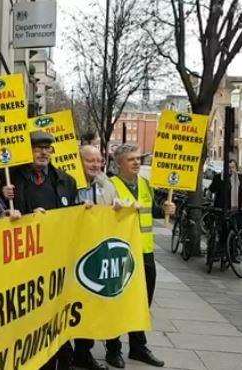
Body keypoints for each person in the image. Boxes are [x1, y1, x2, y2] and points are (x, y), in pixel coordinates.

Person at [5, 130, 77, 370]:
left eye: (47, 148)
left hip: (56, 265)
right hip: (24, 265)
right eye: (37, 147)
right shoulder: (10, 180)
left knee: (56, 319)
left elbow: (74, 219)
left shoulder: (66, 181)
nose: (43, 152)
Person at [106, 143, 175, 368]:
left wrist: (165, 209)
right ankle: (113, 348)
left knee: (142, 303)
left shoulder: (145, 184)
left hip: (145, 252)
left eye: (139, 158)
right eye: (131, 159)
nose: (137, 162)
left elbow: (150, 211)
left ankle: (138, 347)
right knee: (118, 301)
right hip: (121, 253)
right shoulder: (110, 185)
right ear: (119, 163)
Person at [72, 145, 122, 370]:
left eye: (99, 160)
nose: (95, 165)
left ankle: (84, 352)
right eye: (90, 160)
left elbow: (116, 210)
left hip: (96, 254)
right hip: (72, 253)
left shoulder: (106, 185)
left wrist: (119, 207)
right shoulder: (67, 182)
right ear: (79, 161)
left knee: (91, 305)